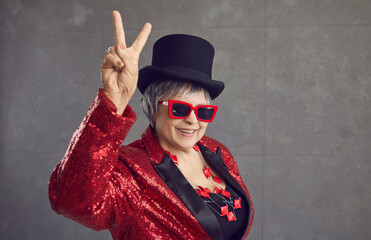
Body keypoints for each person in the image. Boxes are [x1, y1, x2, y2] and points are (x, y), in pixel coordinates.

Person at [49, 10, 254, 240]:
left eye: (204, 111)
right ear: (155, 110)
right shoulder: (131, 170)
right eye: (180, 108)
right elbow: (73, 201)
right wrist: (112, 103)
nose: (193, 120)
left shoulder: (218, 152)